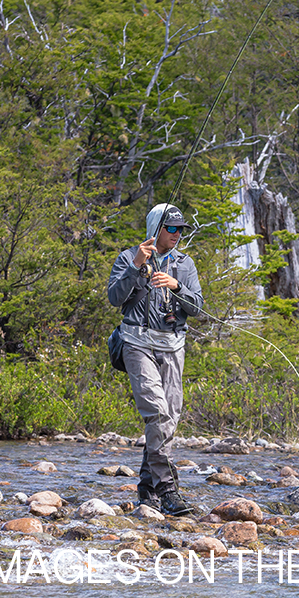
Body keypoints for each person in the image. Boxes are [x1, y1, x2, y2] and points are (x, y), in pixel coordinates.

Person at [107, 203, 204, 517]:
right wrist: (137, 267)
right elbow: (114, 298)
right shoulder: (128, 257)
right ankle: (168, 490)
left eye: (180, 230)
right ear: (156, 228)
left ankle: (147, 491)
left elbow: (198, 308)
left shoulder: (185, 265)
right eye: (171, 228)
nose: (177, 235)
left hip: (173, 347)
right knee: (158, 414)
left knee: (169, 421)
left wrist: (178, 288)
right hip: (136, 343)